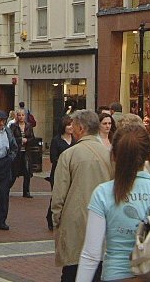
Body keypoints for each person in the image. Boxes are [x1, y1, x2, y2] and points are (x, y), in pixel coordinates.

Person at [76, 125, 150, 282]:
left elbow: (91, 253)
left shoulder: (103, 193)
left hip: (117, 274)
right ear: (149, 155)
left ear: (114, 155)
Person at [51, 110, 112, 282]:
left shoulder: (69, 155)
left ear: (81, 127)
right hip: (102, 220)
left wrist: (57, 217)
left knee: (72, 270)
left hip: (75, 219)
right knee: (98, 270)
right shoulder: (109, 155)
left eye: (74, 125)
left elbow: (59, 194)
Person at [46, 115, 73, 231]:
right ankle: (50, 216)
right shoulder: (56, 140)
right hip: (58, 172)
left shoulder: (76, 140)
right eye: (68, 125)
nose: (71, 127)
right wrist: (65, 161)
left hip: (71, 173)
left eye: (72, 124)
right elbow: (53, 158)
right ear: (63, 126)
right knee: (57, 195)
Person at [11, 109, 35, 198]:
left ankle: (26, 191)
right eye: (19, 115)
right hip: (17, 152)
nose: (21, 117)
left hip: (26, 152)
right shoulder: (13, 126)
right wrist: (20, 140)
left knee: (27, 172)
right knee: (13, 172)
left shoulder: (29, 126)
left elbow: (32, 138)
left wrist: (27, 140)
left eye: (23, 115)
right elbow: (11, 138)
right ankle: (6, 189)